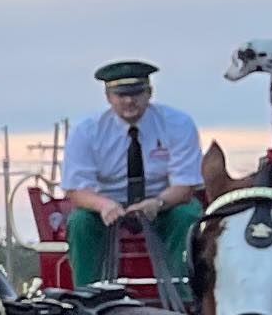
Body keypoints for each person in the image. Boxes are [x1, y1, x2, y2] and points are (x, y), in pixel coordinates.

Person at [60, 58, 205, 298]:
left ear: (149, 93)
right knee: (80, 222)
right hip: (106, 207)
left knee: (187, 214)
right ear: (108, 97)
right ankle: (88, 296)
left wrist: (157, 203)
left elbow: (186, 185)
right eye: (121, 94)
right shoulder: (86, 130)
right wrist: (104, 205)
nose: (129, 101)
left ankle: (184, 294)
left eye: (137, 93)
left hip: (163, 203)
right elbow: (76, 189)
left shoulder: (178, 124)